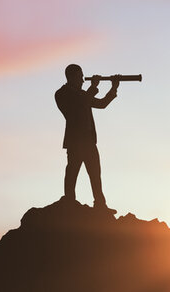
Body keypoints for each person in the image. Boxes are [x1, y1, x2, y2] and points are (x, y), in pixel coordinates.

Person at [55, 64, 119, 213]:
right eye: (80, 76)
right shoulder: (62, 94)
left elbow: (102, 104)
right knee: (72, 172)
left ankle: (100, 205)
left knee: (95, 174)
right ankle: (69, 201)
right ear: (71, 77)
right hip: (75, 142)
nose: (83, 80)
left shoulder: (83, 94)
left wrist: (113, 87)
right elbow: (79, 105)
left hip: (89, 141)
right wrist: (94, 87)